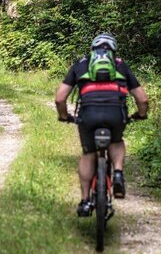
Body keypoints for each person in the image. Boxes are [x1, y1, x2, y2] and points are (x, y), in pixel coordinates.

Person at [54, 33, 149, 217]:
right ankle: (118, 173)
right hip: (115, 114)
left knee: (88, 153)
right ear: (114, 50)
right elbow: (142, 99)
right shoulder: (120, 65)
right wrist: (140, 114)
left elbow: (60, 99)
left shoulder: (81, 64)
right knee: (116, 141)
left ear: (92, 49)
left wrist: (64, 116)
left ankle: (85, 201)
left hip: (88, 115)